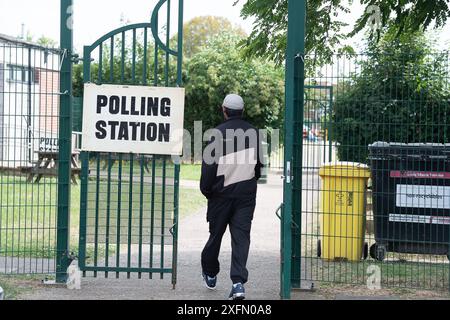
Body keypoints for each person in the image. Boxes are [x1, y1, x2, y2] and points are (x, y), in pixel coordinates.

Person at [200, 93, 262, 300]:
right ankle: (238, 283)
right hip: (245, 197)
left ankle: (210, 272)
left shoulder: (216, 133)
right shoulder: (254, 133)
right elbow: (259, 166)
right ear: (242, 111)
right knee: (241, 238)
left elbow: (208, 169)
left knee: (215, 235)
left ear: (224, 110)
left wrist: (207, 191)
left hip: (220, 196)